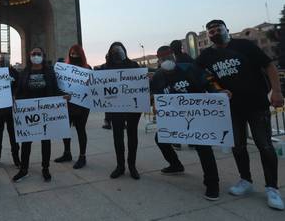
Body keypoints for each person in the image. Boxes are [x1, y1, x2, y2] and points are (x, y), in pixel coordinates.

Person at [196, 19, 284, 210]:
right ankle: (245, 180)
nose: (214, 33)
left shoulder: (243, 45)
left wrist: (276, 91)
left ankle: (272, 188)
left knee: (265, 146)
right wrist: (215, 89)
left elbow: (269, 66)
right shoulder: (207, 55)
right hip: (231, 109)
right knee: (238, 146)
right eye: (210, 31)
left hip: (257, 104)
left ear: (227, 29)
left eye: (217, 29)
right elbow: (199, 74)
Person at [151, 46, 220, 201]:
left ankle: (212, 183)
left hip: (196, 116)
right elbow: (155, 94)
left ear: (174, 57)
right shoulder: (158, 77)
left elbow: (208, 83)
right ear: (158, 61)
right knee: (160, 138)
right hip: (174, 118)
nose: (166, 61)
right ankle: (175, 164)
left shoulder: (189, 69)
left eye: (168, 57)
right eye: (162, 59)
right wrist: (155, 105)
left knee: (203, 147)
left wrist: (218, 94)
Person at [12, 47, 68, 182]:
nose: (35, 56)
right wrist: (15, 99)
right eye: (33, 54)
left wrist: (64, 96)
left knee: (45, 140)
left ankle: (45, 168)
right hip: (28, 110)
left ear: (43, 55)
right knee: (26, 141)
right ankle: (24, 169)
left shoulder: (49, 72)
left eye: (38, 54)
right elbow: (19, 90)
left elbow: (55, 89)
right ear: (29, 56)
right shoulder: (25, 72)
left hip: (45, 110)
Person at [95, 42, 141, 179]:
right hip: (116, 109)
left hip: (133, 108)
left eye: (119, 50)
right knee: (118, 137)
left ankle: (132, 166)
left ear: (124, 51)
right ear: (110, 52)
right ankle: (120, 166)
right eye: (114, 51)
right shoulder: (105, 67)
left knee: (133, 136)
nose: (117, 53)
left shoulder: (133, 65)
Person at [54, 44, 91, 169]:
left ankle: (82, 156)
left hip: (82, 105)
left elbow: (91, 87)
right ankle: (67, 153)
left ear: (81, 54)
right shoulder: (64, 68)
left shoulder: (88, 68)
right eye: (72, 53)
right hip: (67, 104)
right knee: (65, 129)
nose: (74, 55)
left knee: (81, 130)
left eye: (76, 53)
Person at [0, 52, 20, 168]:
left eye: (6, 58)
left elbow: (19, 87)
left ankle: (16, 158)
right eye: (2, 58)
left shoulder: (14, 72)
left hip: (11, 108)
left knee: (13, 134)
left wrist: (14, 94)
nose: (4, 60)